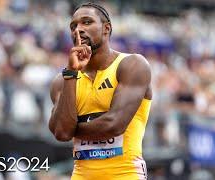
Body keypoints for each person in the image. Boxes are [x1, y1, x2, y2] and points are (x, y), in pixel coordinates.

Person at [49, 2, 152, 179]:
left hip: (124, 174)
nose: (78, 29)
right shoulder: (63, 80)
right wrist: (71, 73)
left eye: (87, 22)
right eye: (73, 26)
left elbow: (114, 124)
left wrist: (73, 128)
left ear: (106, 28)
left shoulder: (132, 65)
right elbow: (61, 132)